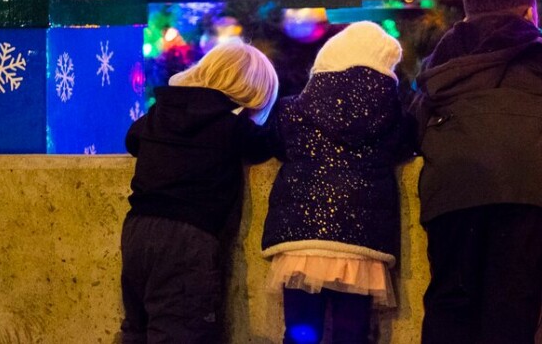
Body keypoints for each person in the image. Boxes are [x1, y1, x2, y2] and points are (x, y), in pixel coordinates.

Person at [413, 0, 542, 344]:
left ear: (468, 8)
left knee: (449, 303)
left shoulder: (442, 57)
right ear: (528, 10)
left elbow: (417, 121)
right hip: (526, 188)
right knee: (511, 307)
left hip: (451, 188)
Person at [120, 38, 279, 344]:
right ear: (250, 96)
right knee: (182, 329)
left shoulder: (160, 113)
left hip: (137, 229)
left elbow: (132, 139)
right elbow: (265, 146)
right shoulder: (230, 127)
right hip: (188, 237)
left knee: (137, 327)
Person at [261, 21, 412, 344]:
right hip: (360, 242)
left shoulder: (293, 110)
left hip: (301, 240)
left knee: (301, 334)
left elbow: (272, 144)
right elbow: (406, 146)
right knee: (351, 334)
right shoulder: (392, 116)